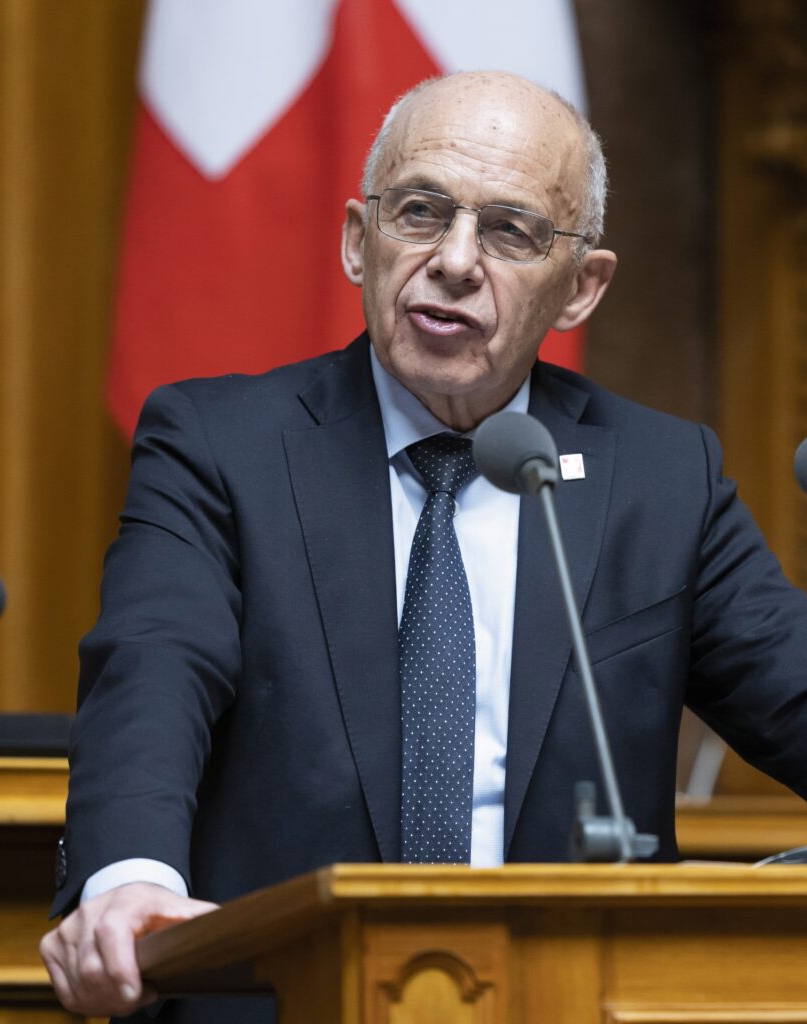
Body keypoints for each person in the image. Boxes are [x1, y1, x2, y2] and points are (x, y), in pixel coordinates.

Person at [40, 71, 807, 1021]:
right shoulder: (219, 445)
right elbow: (151, 677)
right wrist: (129, 879)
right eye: (420, 212)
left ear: (580, 289)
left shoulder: (661, 478)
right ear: (358, 241)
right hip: (287, 999)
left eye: (511, 231)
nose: (454, 261)